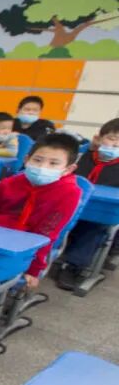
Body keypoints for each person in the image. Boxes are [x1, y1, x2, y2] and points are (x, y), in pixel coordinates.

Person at [0, 132, 83, 289]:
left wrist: (34, 269)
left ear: (68, 169)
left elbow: (47, 233)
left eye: (53, 163)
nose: (43, 167)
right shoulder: (8, 183)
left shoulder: (69, 193)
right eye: (37, 160)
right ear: (26, 160)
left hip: (22, 250)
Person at [57, 118, 119, 290]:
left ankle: (72, 266)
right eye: (112, 139)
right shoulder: (82, 156)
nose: (115, 145)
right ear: (99, 138)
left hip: (100, 211)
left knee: (92, 229)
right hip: (71, 204)